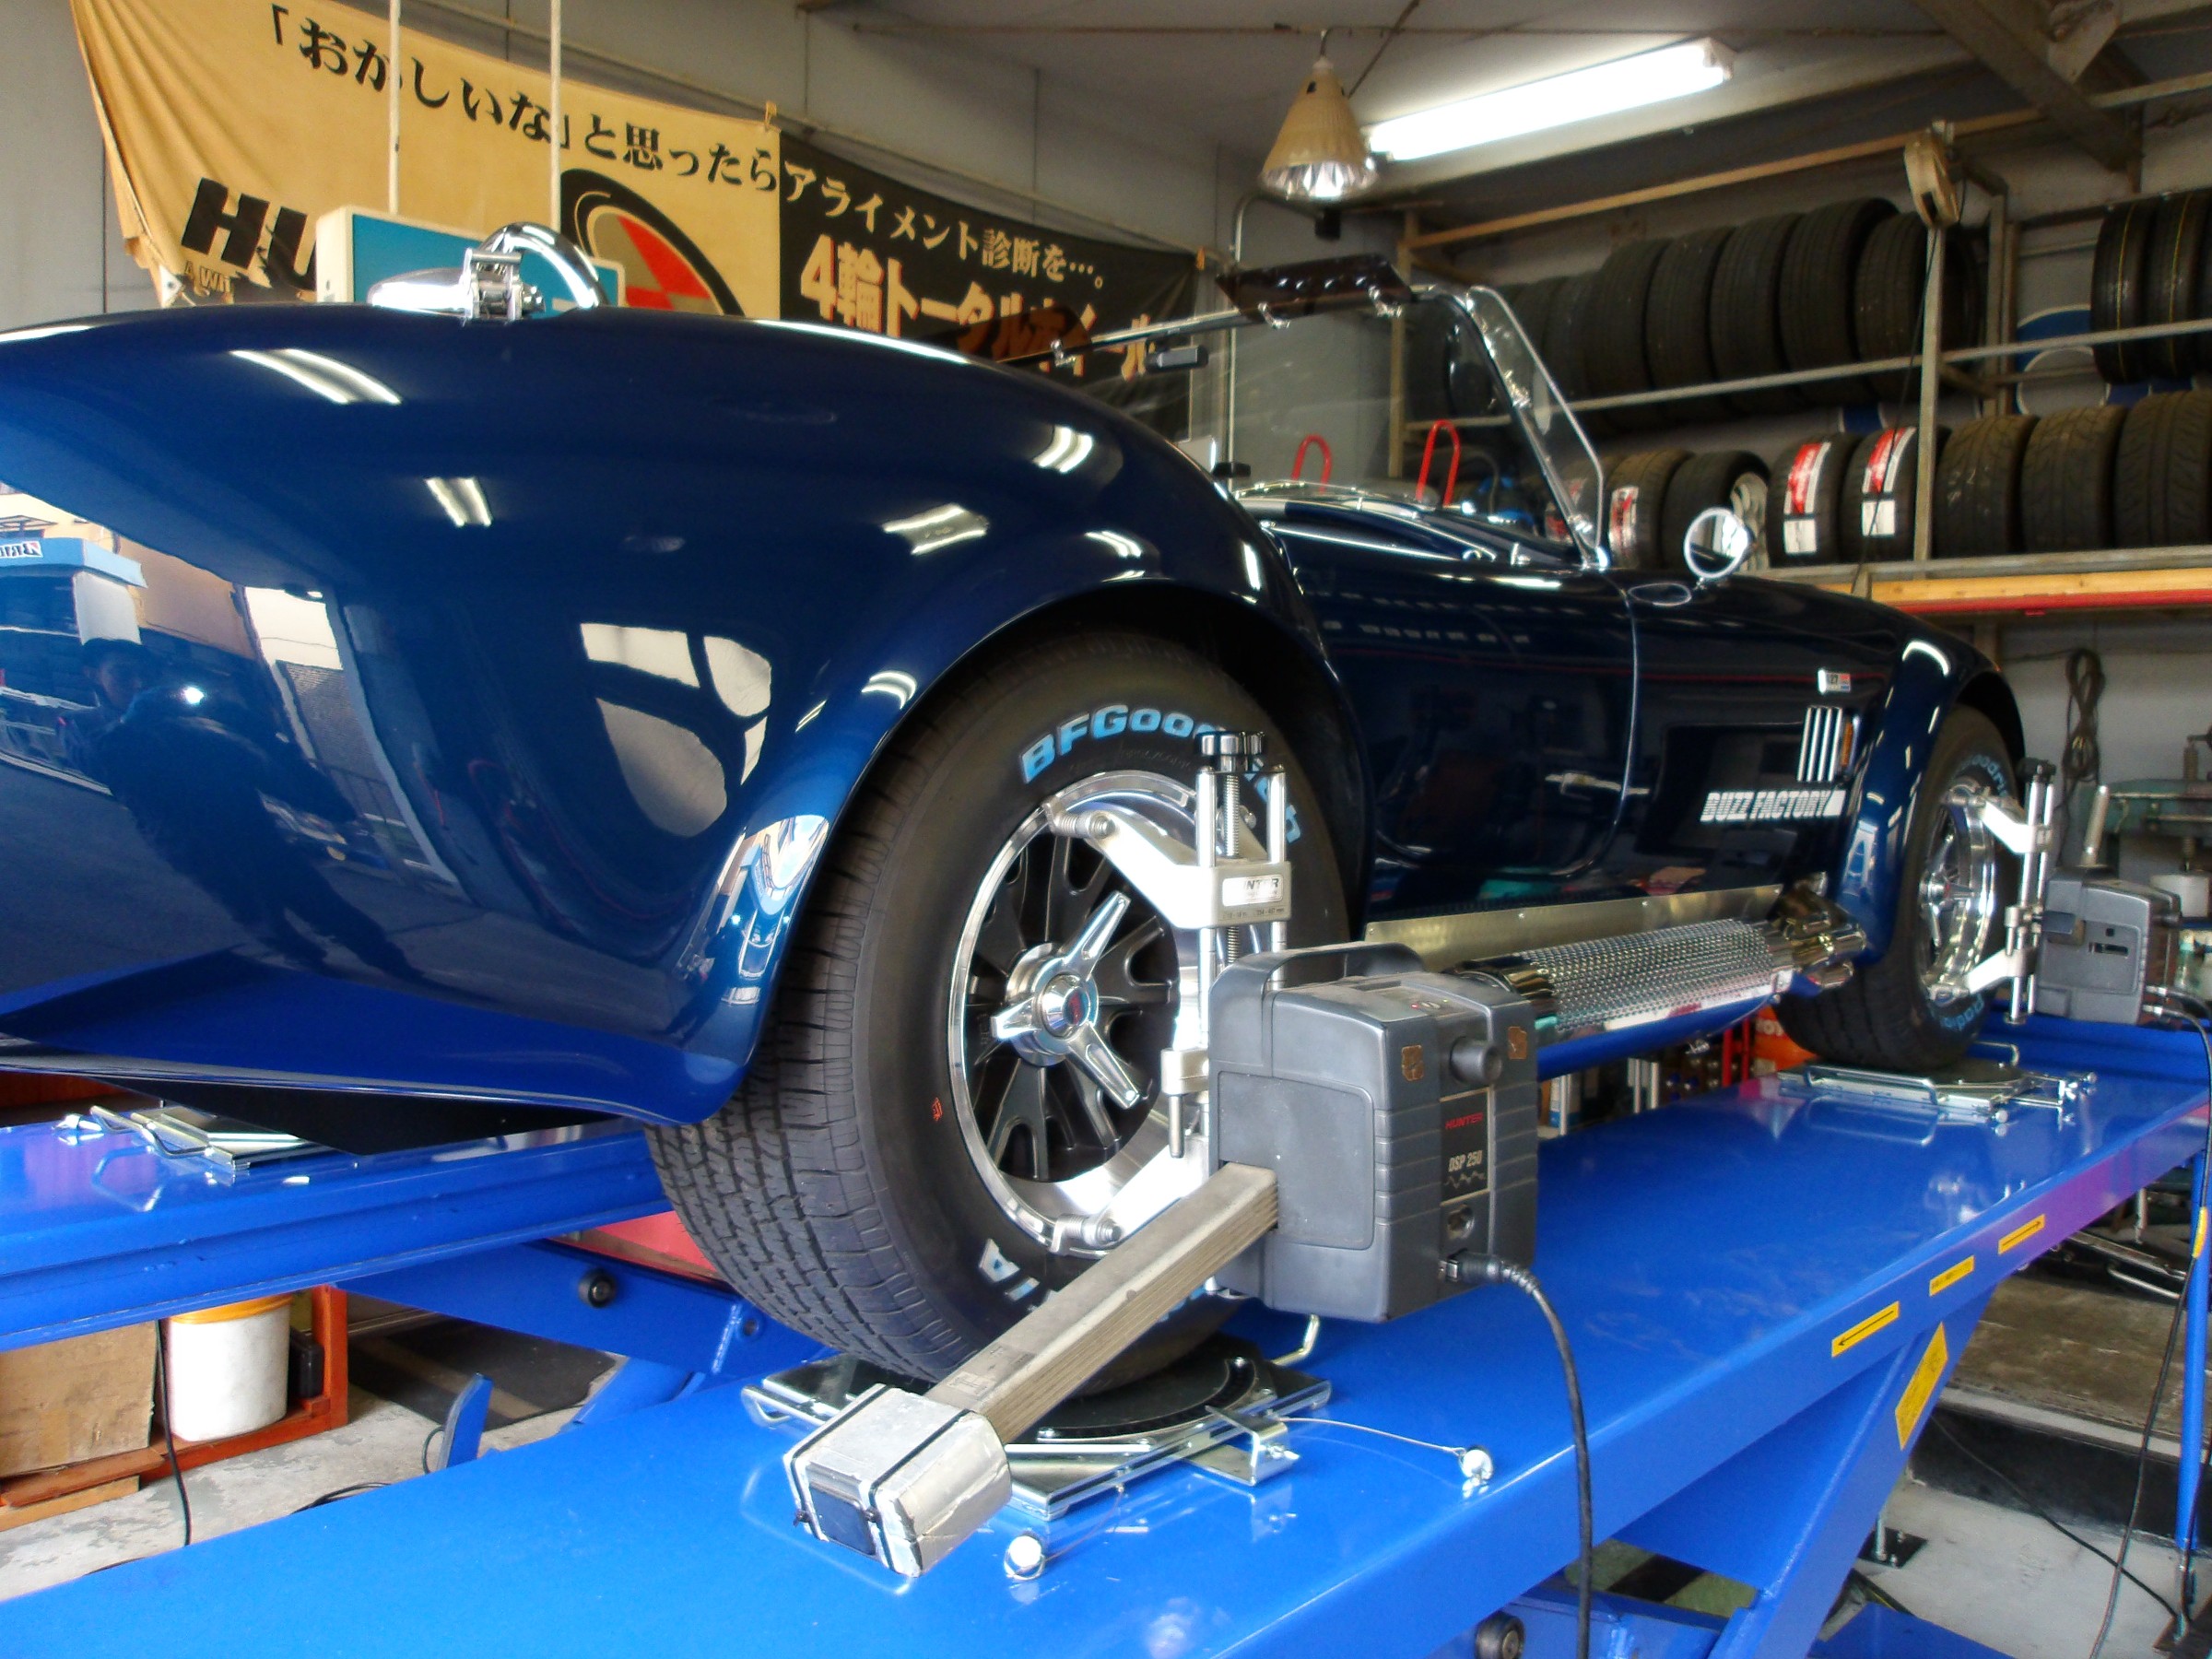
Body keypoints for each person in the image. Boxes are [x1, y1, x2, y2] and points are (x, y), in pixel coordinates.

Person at [73, 637, 423, 980]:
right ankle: (304, 960)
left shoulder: (187, 714)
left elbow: (263, 750)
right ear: (93, 675)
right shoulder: (86, 726)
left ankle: (389, 960)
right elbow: (104, 765)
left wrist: (323, 799)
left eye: (146, 674)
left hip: (249, 825)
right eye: (123, 674)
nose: (138, 684)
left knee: (315, 896)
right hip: (188, 840)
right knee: (252, 907)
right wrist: (133, 724)